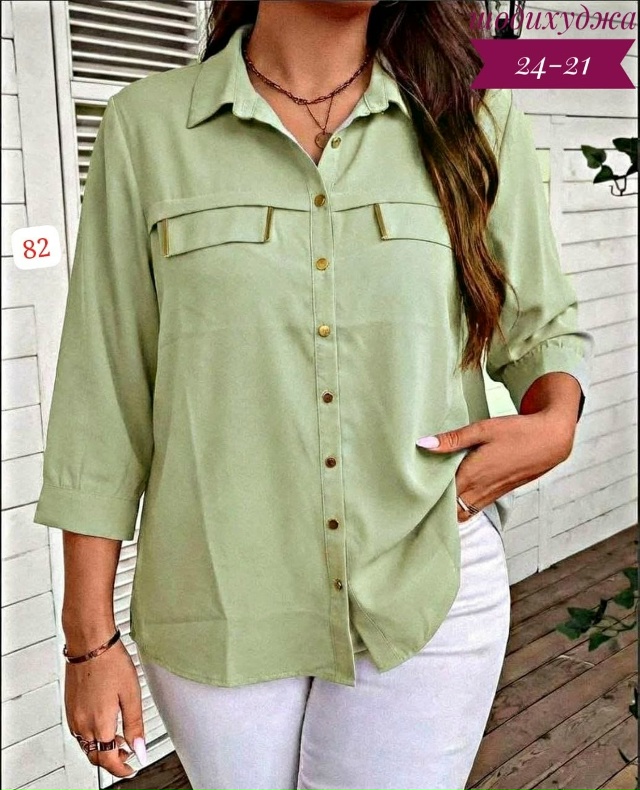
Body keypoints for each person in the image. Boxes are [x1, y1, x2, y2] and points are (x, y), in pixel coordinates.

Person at [33, 1, 594, 788]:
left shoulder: (476, 118)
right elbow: (105, 391)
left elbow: (539, 327)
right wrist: (87, 642)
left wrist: (556, 419)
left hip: (424, 576)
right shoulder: (147, 129)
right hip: (217, 598)